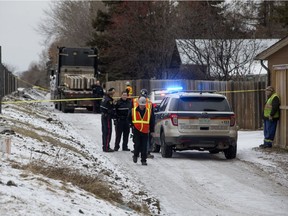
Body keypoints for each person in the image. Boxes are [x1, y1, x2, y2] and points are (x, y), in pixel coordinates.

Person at [128, 96, 155, 165]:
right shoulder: (133, 110)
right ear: (138, 104)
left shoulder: (148, 111)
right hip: (137, 129)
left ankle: (143, 160)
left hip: (145, 130)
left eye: (143, 105)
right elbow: (129, 118)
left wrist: (152, 130)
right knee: (137, 144)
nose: (142, 106)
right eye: (141, 105)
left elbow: (151, 121)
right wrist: (131, 125)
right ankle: (135, 155)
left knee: (144, 146)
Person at [100, 87, 116, 152]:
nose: (113, 94)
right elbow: (110, 110)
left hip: (103, 116)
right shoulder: (109, 100)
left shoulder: (104, 98)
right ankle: (106, 147)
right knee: (108, 132)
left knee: (104, 132)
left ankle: (105, 146)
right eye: (113, 92)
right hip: (107, 118)